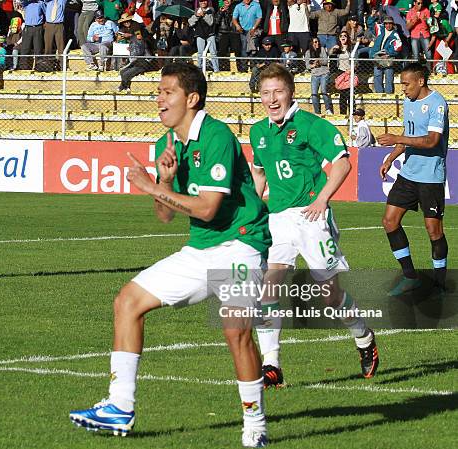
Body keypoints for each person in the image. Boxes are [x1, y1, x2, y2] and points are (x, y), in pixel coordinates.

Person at [69, 62, 272, 448]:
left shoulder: (216, 136)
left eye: (167, 92)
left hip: (242, 246)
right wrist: (161, 181)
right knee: (127, 301)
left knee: (236, 333)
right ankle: (119, 406)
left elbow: (209, 208)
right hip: (201, 248)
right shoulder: (172, 144)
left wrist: (149, 185)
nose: (158, 98)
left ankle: (255, 426)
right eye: (158, 92)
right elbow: (165, 215)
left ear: (192, 99)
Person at [249, 63, 380, 387]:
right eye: (266, 93)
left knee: (329, 295)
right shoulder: (258, 132)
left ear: (291, 92)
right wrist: (252, 211)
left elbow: (342, 162)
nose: (272, 98)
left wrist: (322, 199)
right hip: (277, 219)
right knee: (269, 287)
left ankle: (364, 337)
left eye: (278, 91)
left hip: (312, 219)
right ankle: (272, 365)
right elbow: (260, 174)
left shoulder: (311, 125)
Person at [378, 63, 449, 296]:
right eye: (401, 84)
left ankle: (440, 284)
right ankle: (410, 277)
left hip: (431, 177)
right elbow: (408, 136)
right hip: (408, 174)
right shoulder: (409, 102)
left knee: (434, 231)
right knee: (389, 221)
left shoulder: (437, 104)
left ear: (421, 81)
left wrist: (397, 138)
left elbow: (431, 141)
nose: (403, 89)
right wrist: (390, 158)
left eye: (406, 84)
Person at [370, 15, 402, 94]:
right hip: (377, 57)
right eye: (386, 23)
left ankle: (388, 94)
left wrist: (388, 53)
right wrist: (372, 16)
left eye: (390, 23)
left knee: (389, 77)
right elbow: (370, 25)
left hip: (388, 59)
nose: (388, 25)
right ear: (384, 24)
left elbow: (398, 47)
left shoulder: (395, 35)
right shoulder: (379, 30)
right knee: (377, 76)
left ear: (393, 24)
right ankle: (379, 94)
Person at [232, 0, 263, 72]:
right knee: (244, 49)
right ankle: (244, 69)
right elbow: (234, 18)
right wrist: (237, 26)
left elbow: (259, 18)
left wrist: (253, 28)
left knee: (253, 49)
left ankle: (253, 68)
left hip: (253, 30)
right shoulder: (238, 6)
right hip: (243, 31)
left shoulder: (256, 5)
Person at [305, 36, 333, 115]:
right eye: (315, 42)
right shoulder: (308, 52)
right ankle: (317, 112)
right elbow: (307, 65)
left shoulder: (322, 49)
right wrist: (313, 65)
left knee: (324, 91)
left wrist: (319, 62)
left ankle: (328, 109)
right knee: (314, 94)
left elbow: (326, 61)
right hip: (315, 74)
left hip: (324, 73)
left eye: (317, 41)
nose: (317, 43)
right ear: (311, 43)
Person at [189, 0, 219, 73]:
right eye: (201, 1)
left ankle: (216, 69)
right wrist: (197, 16)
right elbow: (190, 22)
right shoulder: (196, 11)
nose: (203, 2)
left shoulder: (211, 10)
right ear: (199, 2)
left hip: (210, 34)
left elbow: (211, 22)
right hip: (200, 34)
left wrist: (204, 15)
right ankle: (200, 68)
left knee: (213, 52)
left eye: (205, 1)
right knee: (200, 52)